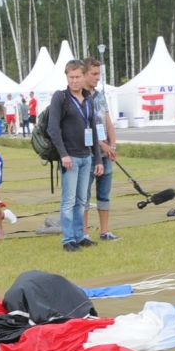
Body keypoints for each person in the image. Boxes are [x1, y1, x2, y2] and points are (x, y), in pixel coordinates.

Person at [45, 58, 97, 251]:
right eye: (71, 77)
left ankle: (80, 235)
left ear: (84, 76)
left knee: (82, 200)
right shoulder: (61, 97)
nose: (74, 81)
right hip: (70, 157)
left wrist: (97, 158)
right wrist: (63, 154)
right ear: (66, 77)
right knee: (69, 200)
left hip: (86, 155)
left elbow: (92, 127)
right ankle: (68, 240)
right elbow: (53, 128)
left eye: (78, 77)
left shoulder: (88, 99)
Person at [83, 57, 120, 243]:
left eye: (99, 74)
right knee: (84, 195)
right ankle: (84, 233)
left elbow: (107, 121)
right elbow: (84, 129)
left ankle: (105, 231)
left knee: (104, 193)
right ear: (84, 73)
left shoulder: (99, 96)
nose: (98, 78)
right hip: (88, 153)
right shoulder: (79, 97)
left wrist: (112, 145)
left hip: (105, 153)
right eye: (94, 74)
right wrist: (102, 144)